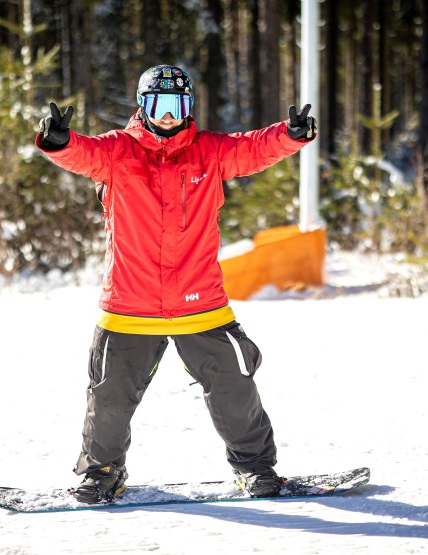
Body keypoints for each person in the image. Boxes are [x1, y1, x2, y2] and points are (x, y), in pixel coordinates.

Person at [36, 64, 317, 504]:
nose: (167, 116)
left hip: (199, 299)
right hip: (130, 301)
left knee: (233, 385)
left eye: (177, 105)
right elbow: (82, 153)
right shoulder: (117, 151)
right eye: (158, 105)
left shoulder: (209, 151)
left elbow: (253, 148)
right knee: (109, 396)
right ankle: (100, 474)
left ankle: (256, 469)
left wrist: (292, 134)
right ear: (142, 105)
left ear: (188, 108)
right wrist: (58, 141)